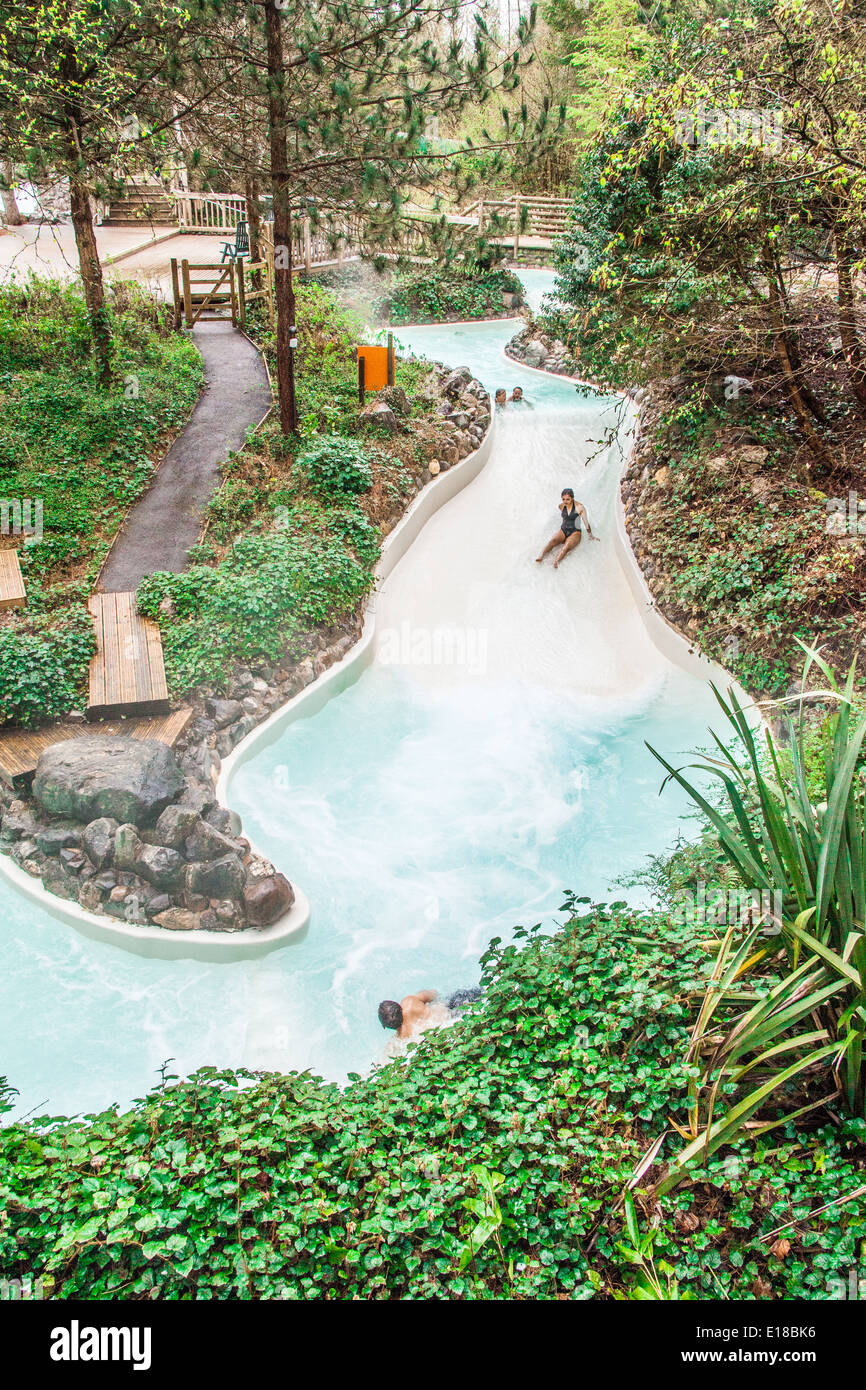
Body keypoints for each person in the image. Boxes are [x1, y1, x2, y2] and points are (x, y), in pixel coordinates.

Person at [378, 987, 483, 1041]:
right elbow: (433, 994)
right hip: (451, 1009)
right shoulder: (409, 1002)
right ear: (398, 1006)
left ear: (385, 1026)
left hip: (451, 1026)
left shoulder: (401, 1038)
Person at [535, 487, 599, 569]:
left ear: (572, 498)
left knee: (566, 547)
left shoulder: (580, 507)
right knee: (552, 541)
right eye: (563, 499)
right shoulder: (561, 506)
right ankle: (541, 556)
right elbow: (565, 518)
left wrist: (590, 535)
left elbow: (586, 523)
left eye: (568, 499)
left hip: (575, 532)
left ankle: (556, 562)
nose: (565, 501)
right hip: (563, 530)